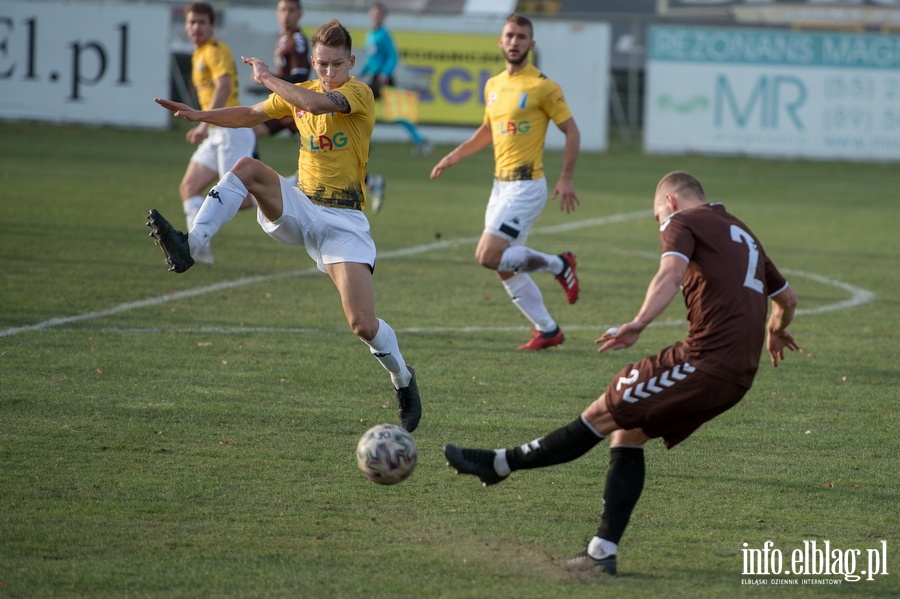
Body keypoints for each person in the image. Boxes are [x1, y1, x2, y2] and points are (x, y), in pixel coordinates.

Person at [444, 171, 800, 574]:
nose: (660, 225)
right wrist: (775, 329)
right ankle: (601, 553)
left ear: (668, 201)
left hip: (705, 361)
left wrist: (639, 322)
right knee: (627, 434)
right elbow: (787, 298)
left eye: (656, 217)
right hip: (739, 374)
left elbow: (669, 273)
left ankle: (500, 464)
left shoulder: (681, 221)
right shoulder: (741, 230)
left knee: (603, 410)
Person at [147, 18, 423, 433]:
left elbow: (310, 106)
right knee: (246, 167)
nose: (329, 72)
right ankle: (191, 244)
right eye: (322, 64)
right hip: (300, 205)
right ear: (313, 62)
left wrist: (266, 76)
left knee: (363, 325)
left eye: (336, 64)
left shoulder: (358, 93)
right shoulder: (304, 91)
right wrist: (199, 114)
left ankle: (403, 378)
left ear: (351, 62)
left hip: (343, 222)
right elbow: (249, 114)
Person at [430, 13, 582, 351]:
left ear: (532, 44)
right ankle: (547, 329)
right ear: (501, 41)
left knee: (487, 254)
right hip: (500, 187)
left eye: (521, 37)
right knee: (504, 265)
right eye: (510, 35)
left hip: (526, 186)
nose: (515, 42)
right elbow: (487, 130)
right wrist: (455, 155)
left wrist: (566, 178)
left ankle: (559, 264)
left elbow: (571, 130)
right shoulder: (493, 85)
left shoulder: (543, 86)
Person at [177, 2, 257, 266]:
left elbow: (223, 86)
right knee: (189, 186)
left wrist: (201, 123)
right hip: (217, 132)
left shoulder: (215, 50)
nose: (196, 27)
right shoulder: (198, 53)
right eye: (192, 22)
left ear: (212, 26)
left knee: (240, 200)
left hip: (231, 130)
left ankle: (291, 188)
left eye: (202, 22)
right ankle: (199, 252)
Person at [252, 0, 311, 142]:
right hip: (284, 101)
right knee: (250, 130)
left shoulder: (297, 40)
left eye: (291, 10)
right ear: (277, 13)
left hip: (293, 104)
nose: (286, 14)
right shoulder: (284, 38)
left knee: (249, 129)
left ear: (299, 14)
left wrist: (268, 78)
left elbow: (300, 76)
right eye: (283, 10)